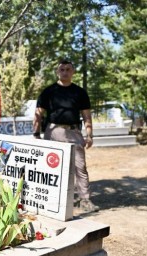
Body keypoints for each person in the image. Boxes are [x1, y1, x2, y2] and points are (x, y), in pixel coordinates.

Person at [32, 60, 99, 214]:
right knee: (51, 167)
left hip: (74, 133)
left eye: (68, 69)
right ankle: (51, 199)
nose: (65, 72)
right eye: (62, 69)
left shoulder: (80, 92)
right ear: (57, 72)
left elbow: (87, 117)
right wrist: (36, 134)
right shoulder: (48, 91)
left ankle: (85, 200)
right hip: (54, 131)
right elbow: (38, 115)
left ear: (73, 72)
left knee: (80, 167)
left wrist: (89, 135)